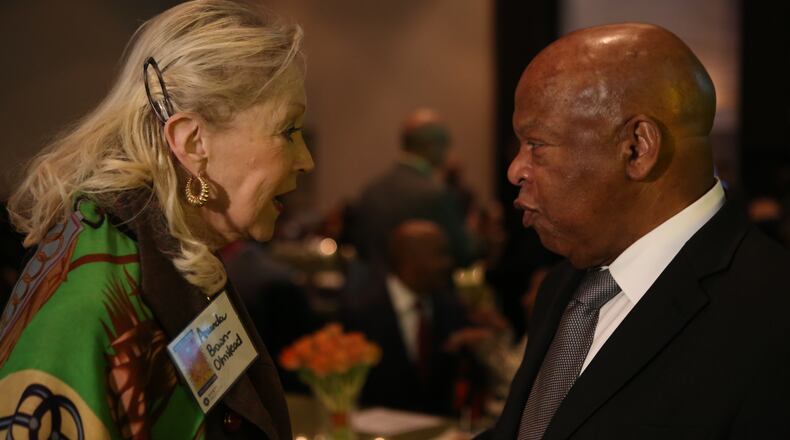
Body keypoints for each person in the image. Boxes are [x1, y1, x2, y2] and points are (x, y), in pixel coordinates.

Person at [0, 1, 313, 438]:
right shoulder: (91, 305)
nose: (306, 160)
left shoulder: (170, 256)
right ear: (192, 142)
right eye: (288, 131)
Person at [480, 23, 790, 439]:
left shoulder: (772, 315)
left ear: (637, 148)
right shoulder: (564, 286)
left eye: (536, 144)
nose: (515, 170)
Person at [343, 220, 477, 415]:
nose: (447, 263)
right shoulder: (361, 313)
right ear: (410, 259)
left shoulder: (452, 308)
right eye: (439, 254)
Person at [350, 109, 475, 269]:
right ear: (432, 146)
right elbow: (462, 253)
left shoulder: (371, 191)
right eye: (445, 145)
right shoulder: (434, 195)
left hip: (374, 283)